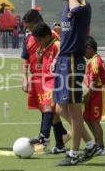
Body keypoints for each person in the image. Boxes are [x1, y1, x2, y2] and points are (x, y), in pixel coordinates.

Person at [52, 0, 100, 166]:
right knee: (59, 107)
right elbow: (66, 36)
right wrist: (57, 56)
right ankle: (90, 144)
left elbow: (75, 7)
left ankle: (73, 154)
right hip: (64, 59)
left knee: (74, 109)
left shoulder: (82, 5)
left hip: (73, 60)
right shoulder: (67, 7)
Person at [21, 10, 71, 154]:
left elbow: (61, 54)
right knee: (49, 110)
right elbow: (26, 57)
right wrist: (25, 77)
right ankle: (61, 141)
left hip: (51, 79)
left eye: (30, 27)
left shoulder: (53, 38)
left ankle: (44, 137)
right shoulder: (31, 38)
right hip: (38, 77)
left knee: (49, 108)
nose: (29, 30)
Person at [83, 36, 105, 155]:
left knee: (95, 120)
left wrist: (88, 94)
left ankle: (101, 146)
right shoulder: (93, 60)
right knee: (87, 118)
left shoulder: (95, 60)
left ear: (89, 48)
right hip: (94, 92)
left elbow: (94, 80)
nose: (83, 53)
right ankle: (96, 143)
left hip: (99, 93)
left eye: (83, 50)